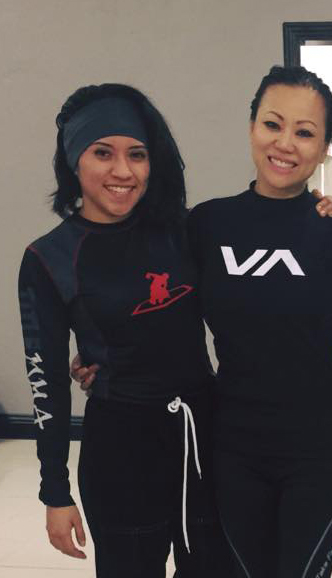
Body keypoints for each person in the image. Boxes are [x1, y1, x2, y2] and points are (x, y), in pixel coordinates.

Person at [17, 83, 232, 577]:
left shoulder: (186, 231)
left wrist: (319, 210)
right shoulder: (49, 258)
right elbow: (46, 383)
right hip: (120, 451)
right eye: (102, 153)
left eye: (137, 154)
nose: (123, 171)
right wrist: (54, 492)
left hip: (204, 437)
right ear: (73, 160)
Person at [186, 65, 332, 578]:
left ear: (324, 147)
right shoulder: (208, 224)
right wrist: (100, 352)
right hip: (234, 446)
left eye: (304, 132)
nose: (285, 143)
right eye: (272, 124)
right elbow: (162, 308)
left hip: (318, 449)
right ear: (251, 128)